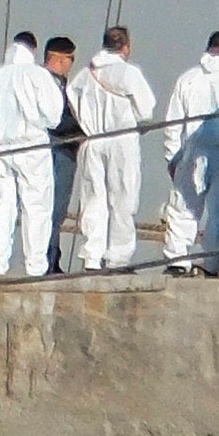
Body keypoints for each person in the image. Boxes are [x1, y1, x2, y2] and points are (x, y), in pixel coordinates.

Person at [0, 15, 68, 277]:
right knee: (36, 207)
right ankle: (35, 266)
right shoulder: (39, 76)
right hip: (32, 147)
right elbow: (53, 116)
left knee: (0, 206)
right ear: (34, 50)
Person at [66, 25, 157, 273]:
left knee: (93, 199)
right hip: (121, 139)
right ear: (125, 47)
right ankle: (118, 258)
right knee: (123, 199)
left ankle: (91, 256)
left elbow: (72, 98)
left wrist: (87, 121)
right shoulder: (129, 73)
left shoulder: (86, 74)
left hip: (93, 139)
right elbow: (146, 110)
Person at [165, 23, 219, 267]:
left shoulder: (187, 79)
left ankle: (177, 260)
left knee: (183, 206)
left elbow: (173, 122)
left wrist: (172, 156)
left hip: (191, 149)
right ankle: (212, 263)